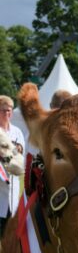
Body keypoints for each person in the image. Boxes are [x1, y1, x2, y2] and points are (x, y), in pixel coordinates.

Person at [0, 96, 25, 236]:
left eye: (9, 111)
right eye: (4, 111)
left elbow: (20, 156)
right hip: (0, 186)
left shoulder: (17, 132)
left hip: (14, 186)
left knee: (11, 232)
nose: (7, 114)